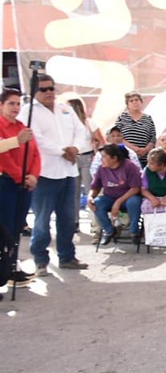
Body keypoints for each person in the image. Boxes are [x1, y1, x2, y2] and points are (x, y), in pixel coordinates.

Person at [19, 75, 89, 274]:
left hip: (68, 171)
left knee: (67, 218)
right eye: (43, 89)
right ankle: (41, 259)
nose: (49, 92)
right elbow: (35, 139)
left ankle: (67, 256)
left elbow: (81, 130)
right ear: (34, 92)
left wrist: (75, 148)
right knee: (42, 220)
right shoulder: (28, 112)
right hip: (44, 172)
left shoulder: (65, 109)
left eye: (51, 88)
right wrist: (62, 151)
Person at [0, 88, 41, 287]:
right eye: (11, 103)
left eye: (18, 104)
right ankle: (4, 267)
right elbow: (3, 157)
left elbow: (34, 153)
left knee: (17, 226)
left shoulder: (22, 127)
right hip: (7, 182)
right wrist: (20, 176)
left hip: (23, 184)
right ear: (1, 105)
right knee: (5, 227)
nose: (16, 107)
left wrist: (33, 175)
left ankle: (12, 265)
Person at [88, 143, 143, 245]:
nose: (102, 159)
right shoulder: (102, 168)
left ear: (114, 158)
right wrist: (90, 197)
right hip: (110, 197)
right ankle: (109, 230)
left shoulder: (129, 166)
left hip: (128, 197)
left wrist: (118, 202)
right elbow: (95, 187)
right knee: (97, 203)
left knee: (134, 202)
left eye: (104, 157)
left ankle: (134, 231)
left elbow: (135, 188)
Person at [67, 98, 102, 216]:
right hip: (73, 158)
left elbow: (101, 141)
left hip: (87, 157)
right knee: (73, 192)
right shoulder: (66, 125)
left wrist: (97, 154)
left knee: (90, 190)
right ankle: (74, 220)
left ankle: (95, 220)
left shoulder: (89, 123)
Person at [116, 90, 156, 167]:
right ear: (127, 104)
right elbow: (117, 136)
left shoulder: (148, 118)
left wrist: (145, 150)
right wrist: (134, 149)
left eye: (137, 100)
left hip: (145, 158)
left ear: (141, 102)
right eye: (131, 101)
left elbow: (153, 138)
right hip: (127, 157)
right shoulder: (122, 117)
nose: (134, 102)